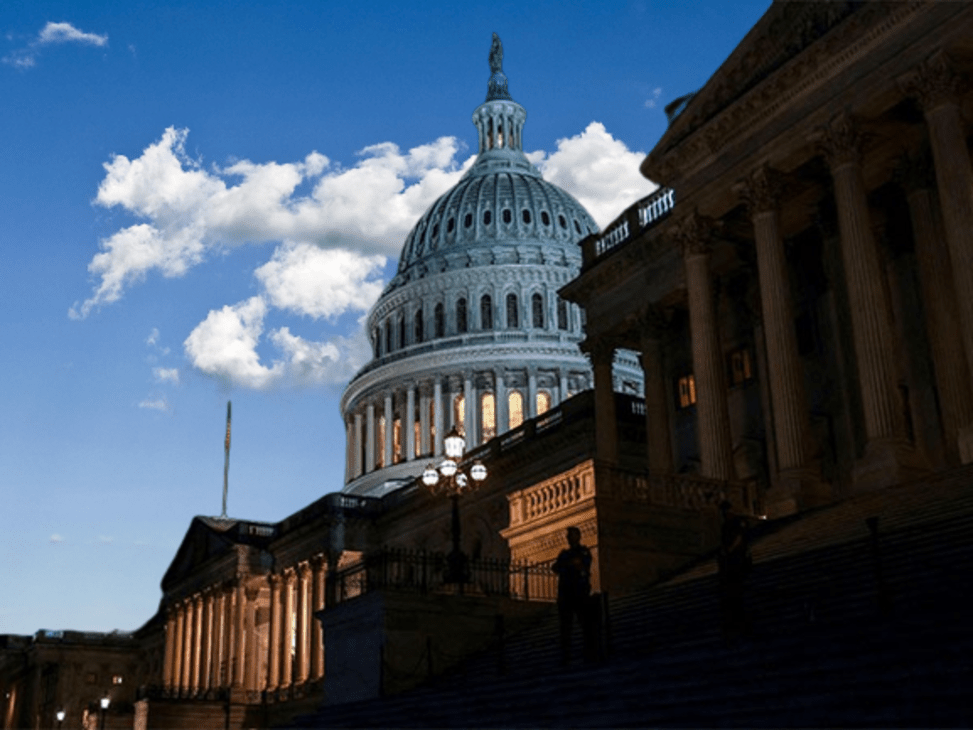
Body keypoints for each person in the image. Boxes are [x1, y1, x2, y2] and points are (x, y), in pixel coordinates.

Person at [552, 526, 595, 665]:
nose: (569, 538)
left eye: (571, 535)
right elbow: (556, 567)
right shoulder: (566, 554)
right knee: (566, 626)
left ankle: (588, 651)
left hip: (579, 592)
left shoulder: (582, 552)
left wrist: (570, 564)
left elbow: (584, 565)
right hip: (567, 594)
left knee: (584, 623)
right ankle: (566, 655)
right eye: (568, 536)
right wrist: (570, 564)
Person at [718, 501, 752, 644]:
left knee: (736, 591)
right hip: (731, 561)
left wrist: (730, 549)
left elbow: (740, 537)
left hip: (736, 559)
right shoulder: (728, 523)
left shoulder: (736, 521)